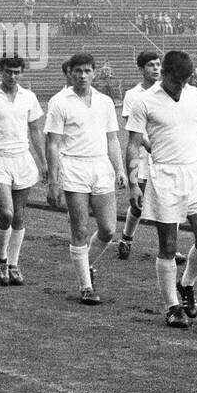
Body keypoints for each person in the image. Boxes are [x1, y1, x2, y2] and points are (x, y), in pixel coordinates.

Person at [126, 50, 197, 328]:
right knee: (168, 245)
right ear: (164, 74)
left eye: (184, 81)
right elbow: (133, 145)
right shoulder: (145, 102)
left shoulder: (195, 96)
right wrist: (133, 183)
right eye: (175, 80)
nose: (179, 86)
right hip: (164, 175)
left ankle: (187, 284)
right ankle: (172, 307)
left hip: (194, 173)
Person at [45, 53, 127, 304]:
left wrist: (120, 169)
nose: (82, 75)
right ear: (70, 73)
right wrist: (54, 180)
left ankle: (86, 266)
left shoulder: (104, 102)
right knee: (79, 228)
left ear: (94, 73)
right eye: (78, 71)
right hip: (73, 167)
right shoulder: (59, 102)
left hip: (101, 166)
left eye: (87, 71)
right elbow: (53, 144)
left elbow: (112, 138)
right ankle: (86, 287)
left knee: (108, 229)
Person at [0, 55, 47, 287]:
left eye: (17, 72)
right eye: (8, 72)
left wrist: (43, 162)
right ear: (0, 71)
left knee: (19, 215)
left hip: (22, 159)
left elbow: (35, 131)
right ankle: (0, 260)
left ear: (22, 73)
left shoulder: (29, 97)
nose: (12, 76)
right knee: (6, 213)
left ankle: (14, 264)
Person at [116, 49, 163, 259]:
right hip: (142, 155)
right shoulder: (133, 95)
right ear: (141, 69)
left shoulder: (166, 92)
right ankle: (126, 237)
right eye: (151, 65)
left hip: (164, 156)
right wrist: (148, 144)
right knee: (138, 201)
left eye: (158, 64)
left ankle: (169, 246)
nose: (156, 68)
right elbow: (131, 125)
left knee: (167, 200)